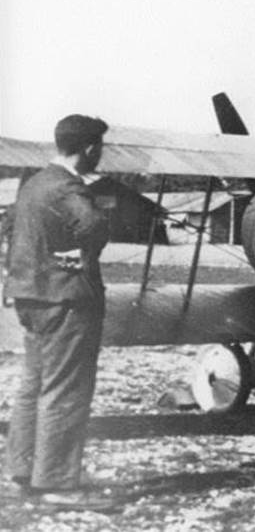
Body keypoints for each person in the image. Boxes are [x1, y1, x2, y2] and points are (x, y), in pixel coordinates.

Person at [4, 114, 115, 511]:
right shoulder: (69, 188)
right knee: (65, 391)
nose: (100, 154)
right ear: (89, 148)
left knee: (32, 387)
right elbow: (93, 226)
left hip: (29, 299)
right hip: (65, 301)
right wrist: (80, 252)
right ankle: (56, 484)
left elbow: (14, 231)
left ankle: (22, 473)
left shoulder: (33, 183)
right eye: (99, 147)